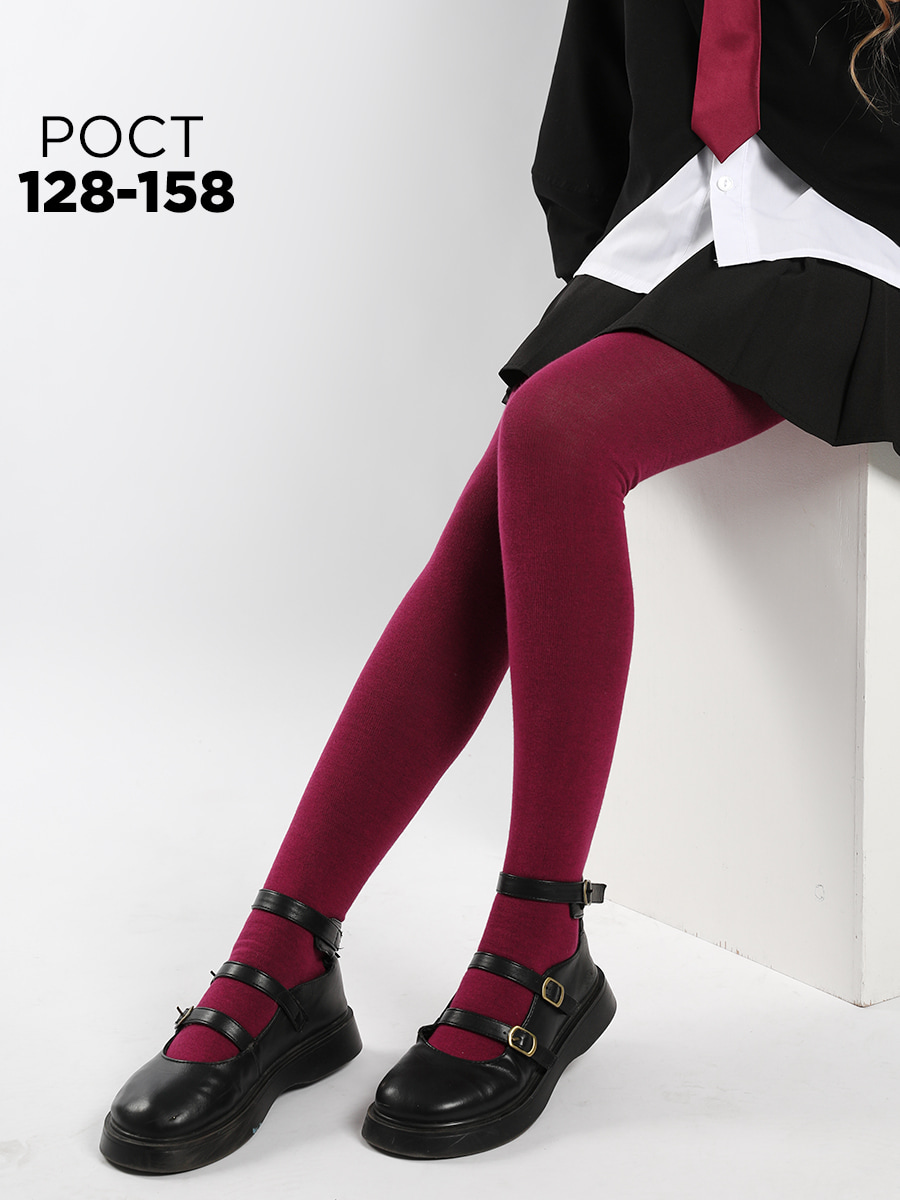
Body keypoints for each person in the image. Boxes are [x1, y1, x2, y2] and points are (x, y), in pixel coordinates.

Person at [99, 0, 900, 1172]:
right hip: (671, 233)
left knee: (556, 436)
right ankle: (293, 947)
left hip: (864, 240)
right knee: (529, 466)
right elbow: (593, 97)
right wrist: (605, 283)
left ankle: (525, 936)